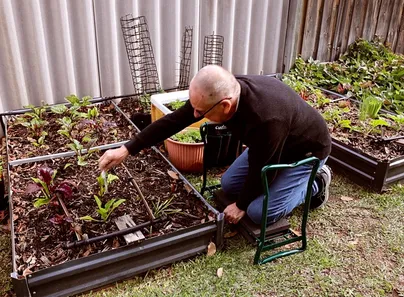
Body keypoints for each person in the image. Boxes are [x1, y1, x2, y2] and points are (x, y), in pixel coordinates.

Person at [99, 65, 332, 225]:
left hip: (305, 152)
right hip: (272, 146)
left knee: (257, 213)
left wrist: (240, 205)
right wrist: (127, 149)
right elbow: (173, 121)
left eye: (201, 112)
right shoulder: (226, 91)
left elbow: (263, 166)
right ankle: (288, 184)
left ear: (226, 106)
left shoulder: (266, 119)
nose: (196, 114)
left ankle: (316, 183)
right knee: (229, 185)